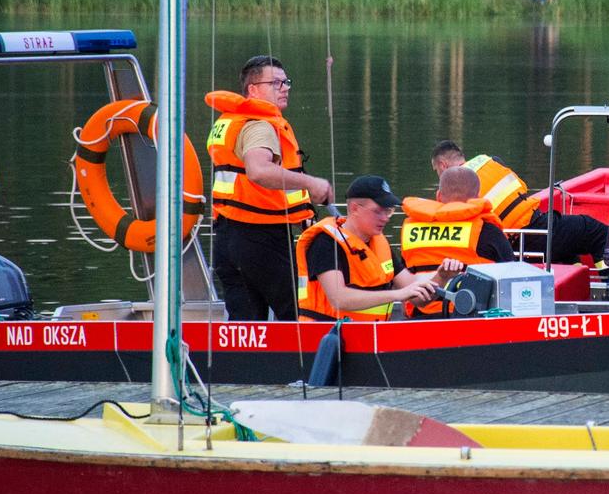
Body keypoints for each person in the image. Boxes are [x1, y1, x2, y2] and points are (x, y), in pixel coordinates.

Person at [206, 55, 334, 321]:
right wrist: (312, 183)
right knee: (297, 313)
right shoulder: (259, 127)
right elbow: (258, 170)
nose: (285, 87)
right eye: (276, 83)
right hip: (260, 238)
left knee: (246, 324)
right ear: (253, 89)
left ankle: (243, 363)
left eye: (286, 82)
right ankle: (303, 363)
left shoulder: (231, 121)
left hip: (227, 239)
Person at [295, 175, 463, 321]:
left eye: (388, 211)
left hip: (369, 338)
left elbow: (417, 297)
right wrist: (397, 294)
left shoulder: (379, 243)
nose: (385, 218)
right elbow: (339, 298)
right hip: (328, 340)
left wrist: (442, 277)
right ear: (355, 208)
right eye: (378, 211)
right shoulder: (325, 242)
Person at [430, 141, 609, 265]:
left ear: (443, 165)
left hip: (507, 241)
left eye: (436, 170)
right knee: (597, 232)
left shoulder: (450, 191)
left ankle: (577, 273)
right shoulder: (489, 161)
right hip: (530, 230)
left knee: (569, 249)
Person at [401, 166, 515, 272]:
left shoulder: (411, 229)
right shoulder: (487, 231)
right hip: (469, 292)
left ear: (438, 196)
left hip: (419, 292)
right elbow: (510, 269)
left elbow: (400, 272)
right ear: (477, 197)